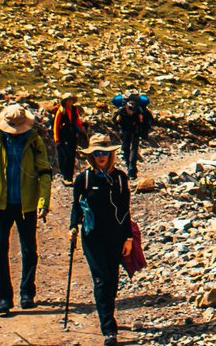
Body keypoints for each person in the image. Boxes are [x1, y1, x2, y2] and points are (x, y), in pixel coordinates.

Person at [0, 103, 53, 316]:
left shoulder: (34, 141)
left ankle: (27, 293)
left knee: (29, 249)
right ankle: (4, 298)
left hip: (26, 204)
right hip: (0, 203)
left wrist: (43, 202)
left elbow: (45, 172)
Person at [70, 134, 132, 346]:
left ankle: (108, 315)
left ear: (111, 154)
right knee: (101, 279)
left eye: (104, 152)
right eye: (97, 153)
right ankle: (109, 329)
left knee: (112, 280)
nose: (101, 156)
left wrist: (129, 237)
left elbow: (125, 210)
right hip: (92, 236)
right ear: (91, 155)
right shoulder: (84, 179)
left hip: (115, 236)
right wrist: (73, 227)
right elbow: (76, 206)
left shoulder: (121, 178)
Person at [112, 93, 153, 180]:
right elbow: (115, 120)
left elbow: (115, 120)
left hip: (130, 131)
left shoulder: (130, 110)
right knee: (130, 149)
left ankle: (130, 168)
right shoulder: (133, 110)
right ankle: (131, 169)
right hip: (131, 131)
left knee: (130, 149)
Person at [53, 94, 85, 183]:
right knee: (65, 156)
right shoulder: (61, 111)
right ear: (65, 101)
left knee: (71, 156)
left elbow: (77, 121)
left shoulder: (74, 110)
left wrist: (81, 128)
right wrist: (56, 138)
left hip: (72, 135)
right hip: (63, 136)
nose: (70, 102)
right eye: (68, 100)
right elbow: (56, 125)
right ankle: (65, 176)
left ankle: (70, 177)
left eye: (71, 100)